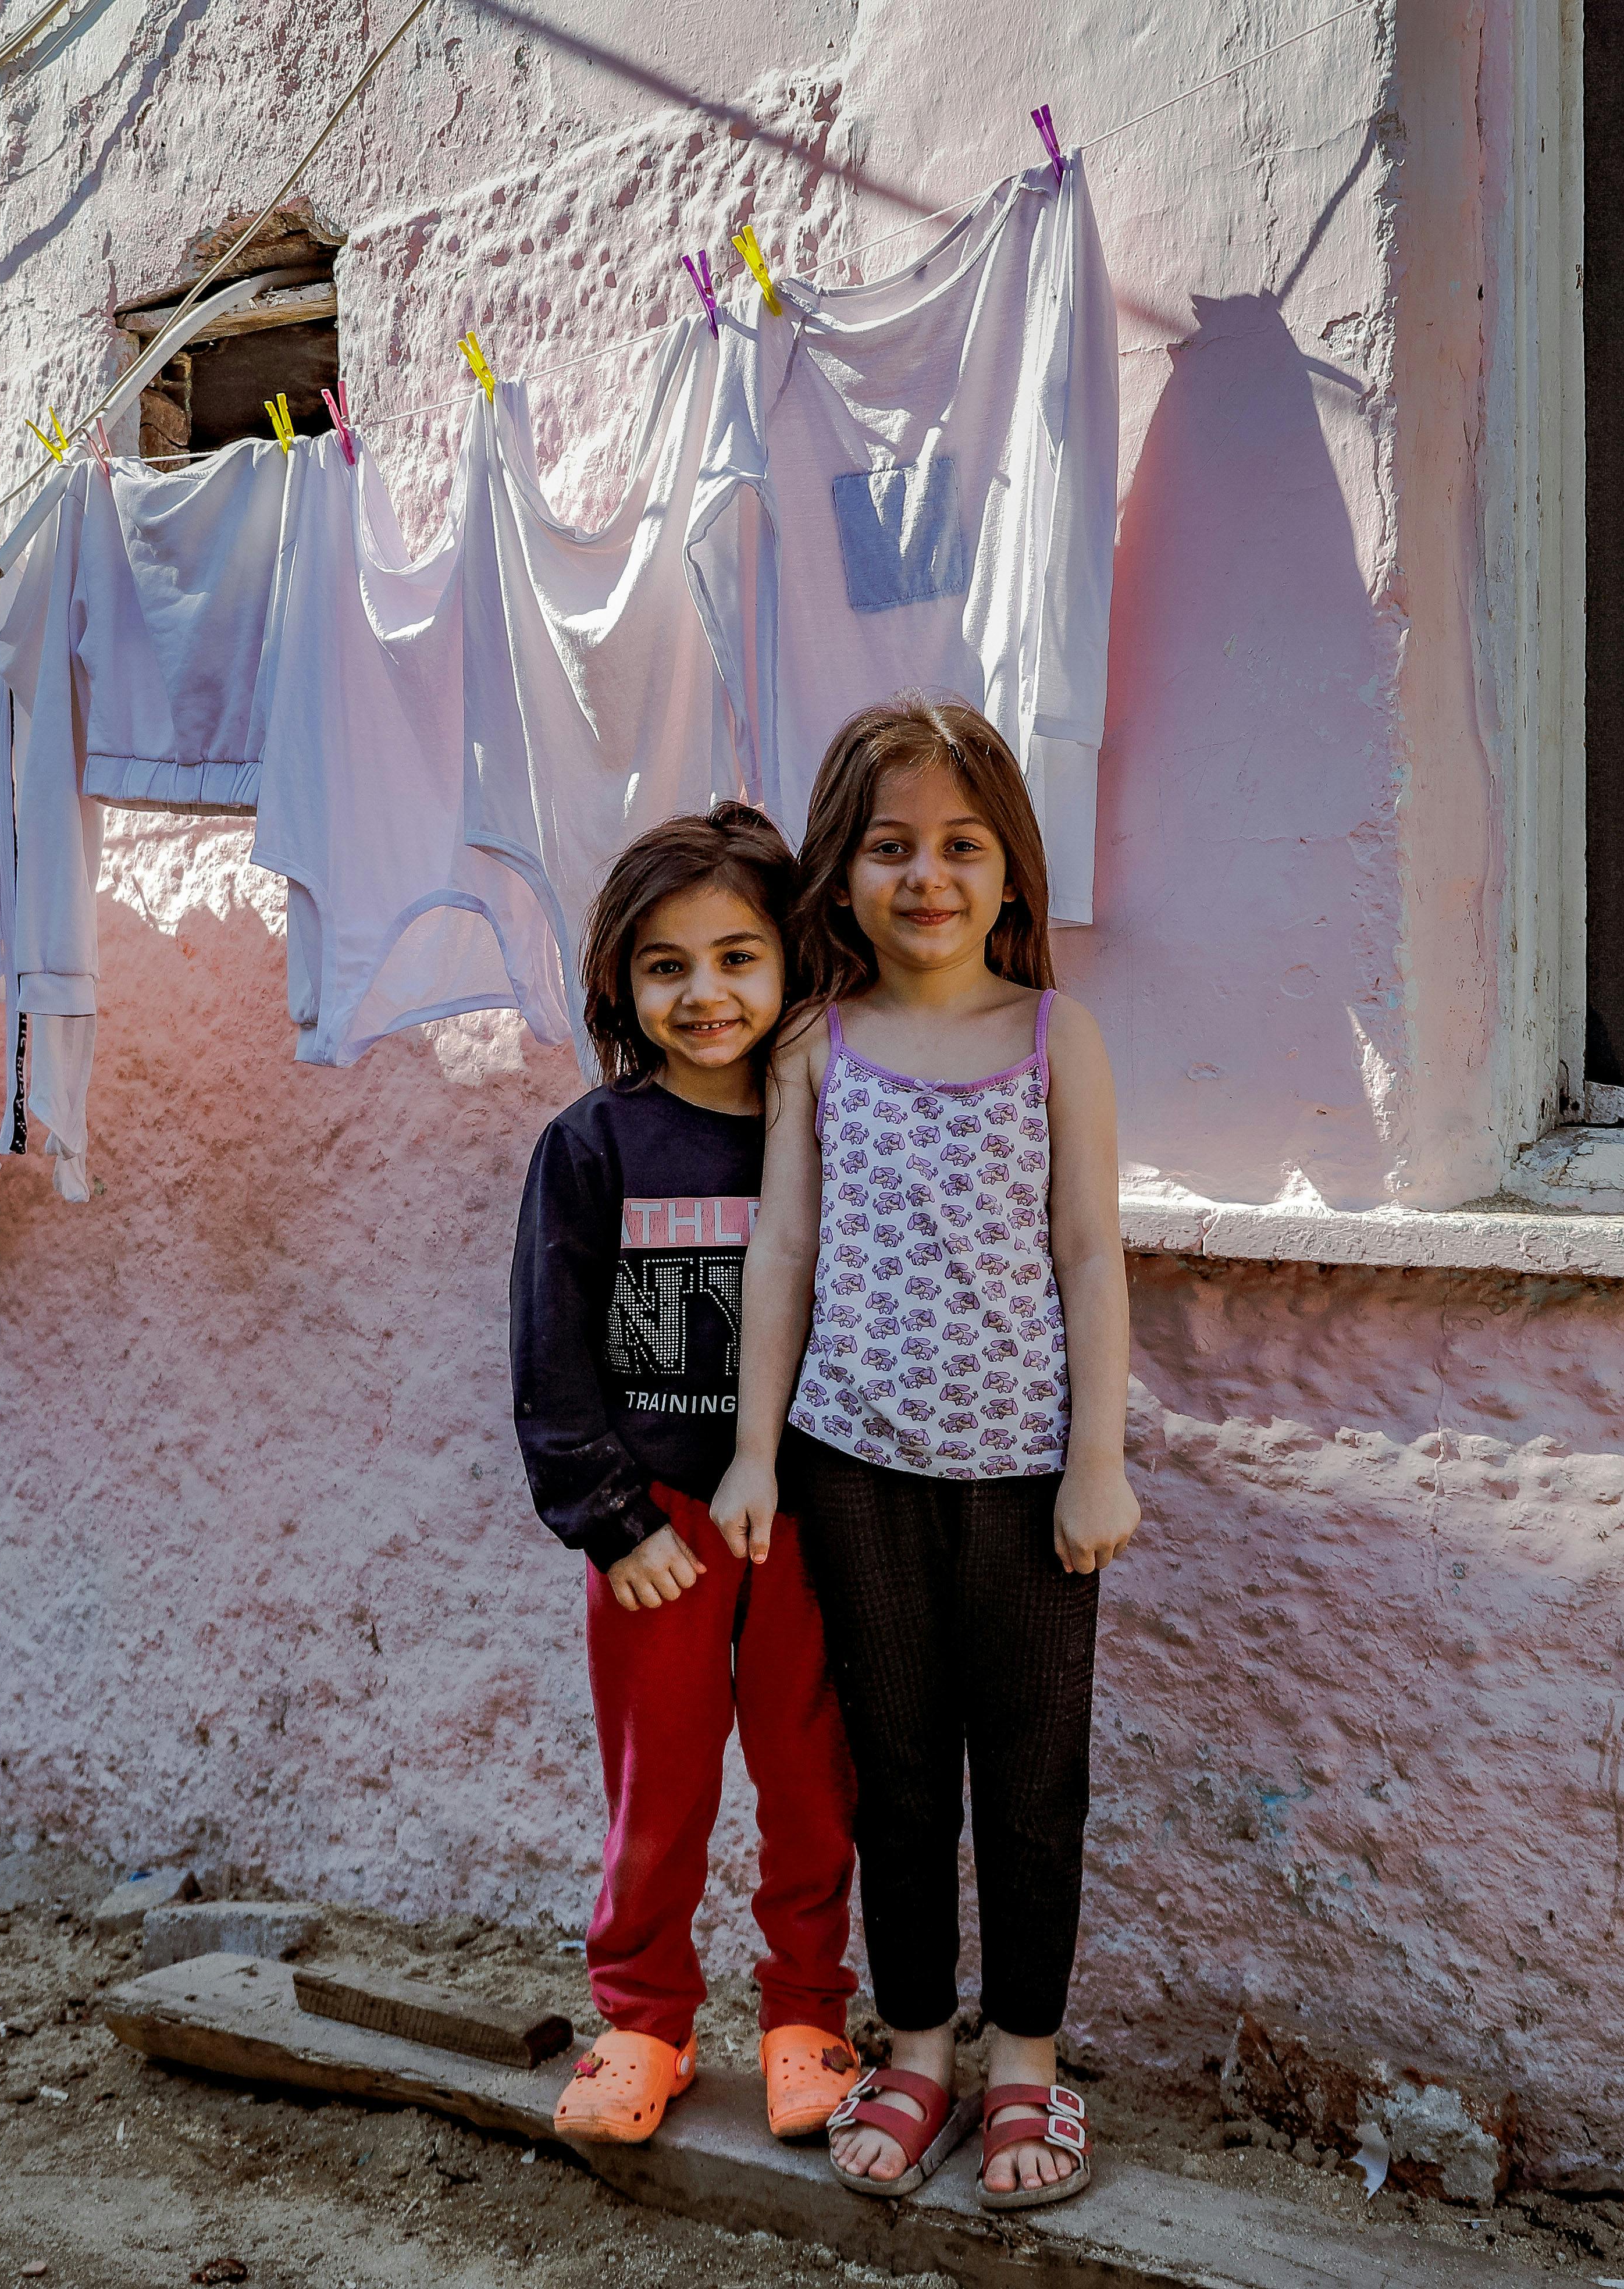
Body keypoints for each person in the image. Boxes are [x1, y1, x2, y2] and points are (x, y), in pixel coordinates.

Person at [712, 696, 1138, 2210]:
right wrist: (757, 1455)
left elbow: (1090, 1254)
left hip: (1028, 1490)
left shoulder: (1052, 1039)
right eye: (891, 847)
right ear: (840, 878)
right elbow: (784, 1249)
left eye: (962, 846)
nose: (928, 877)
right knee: (891, 1778)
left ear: (1012, 874)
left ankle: (1023, 2061)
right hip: (852, 1473)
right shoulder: (818, 1048)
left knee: (1031, 1785)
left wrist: (1101, 1458)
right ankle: (913, 2050)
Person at [509, 803, 863, 2150]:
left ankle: (806, 2019)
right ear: (623, 983)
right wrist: (607, 1519)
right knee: (659, 1791)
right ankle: (644, 2019)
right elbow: (550, 1349)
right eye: (668, 966)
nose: (705, 993)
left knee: (809, 1777)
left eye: (736, 957)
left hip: (805, 1523)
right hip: (657, 1529)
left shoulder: (836, 1131)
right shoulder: (595, 1146)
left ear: (794, 961)